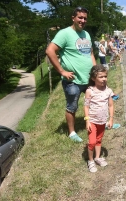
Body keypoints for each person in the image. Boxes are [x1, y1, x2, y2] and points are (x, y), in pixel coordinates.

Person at [46, 7, 96, 142]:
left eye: (85, 18)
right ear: (73, 18)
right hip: (73, 80)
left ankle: (95, 124)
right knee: (72, 107)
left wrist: (96, 71)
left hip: (89, 78)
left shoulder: (86, 34)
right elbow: (50, 51)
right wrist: (62, 71)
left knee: (94, 102)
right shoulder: (64, 33)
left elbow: (90, 52)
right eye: (80, 17)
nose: (83, 20)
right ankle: (72, 132)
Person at [84, 64, 114, 173]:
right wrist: (87, 120)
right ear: (93, 78)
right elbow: (86, 106)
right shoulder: (90, 91)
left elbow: (110, 105)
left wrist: (110, 119)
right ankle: (90, 160)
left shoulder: (108, 91)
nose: (104, 79)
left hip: (102, 121)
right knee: (92, 142)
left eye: (105, 76)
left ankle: (97, 157)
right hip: (92, 121)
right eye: (101, 77)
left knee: (98, 140)